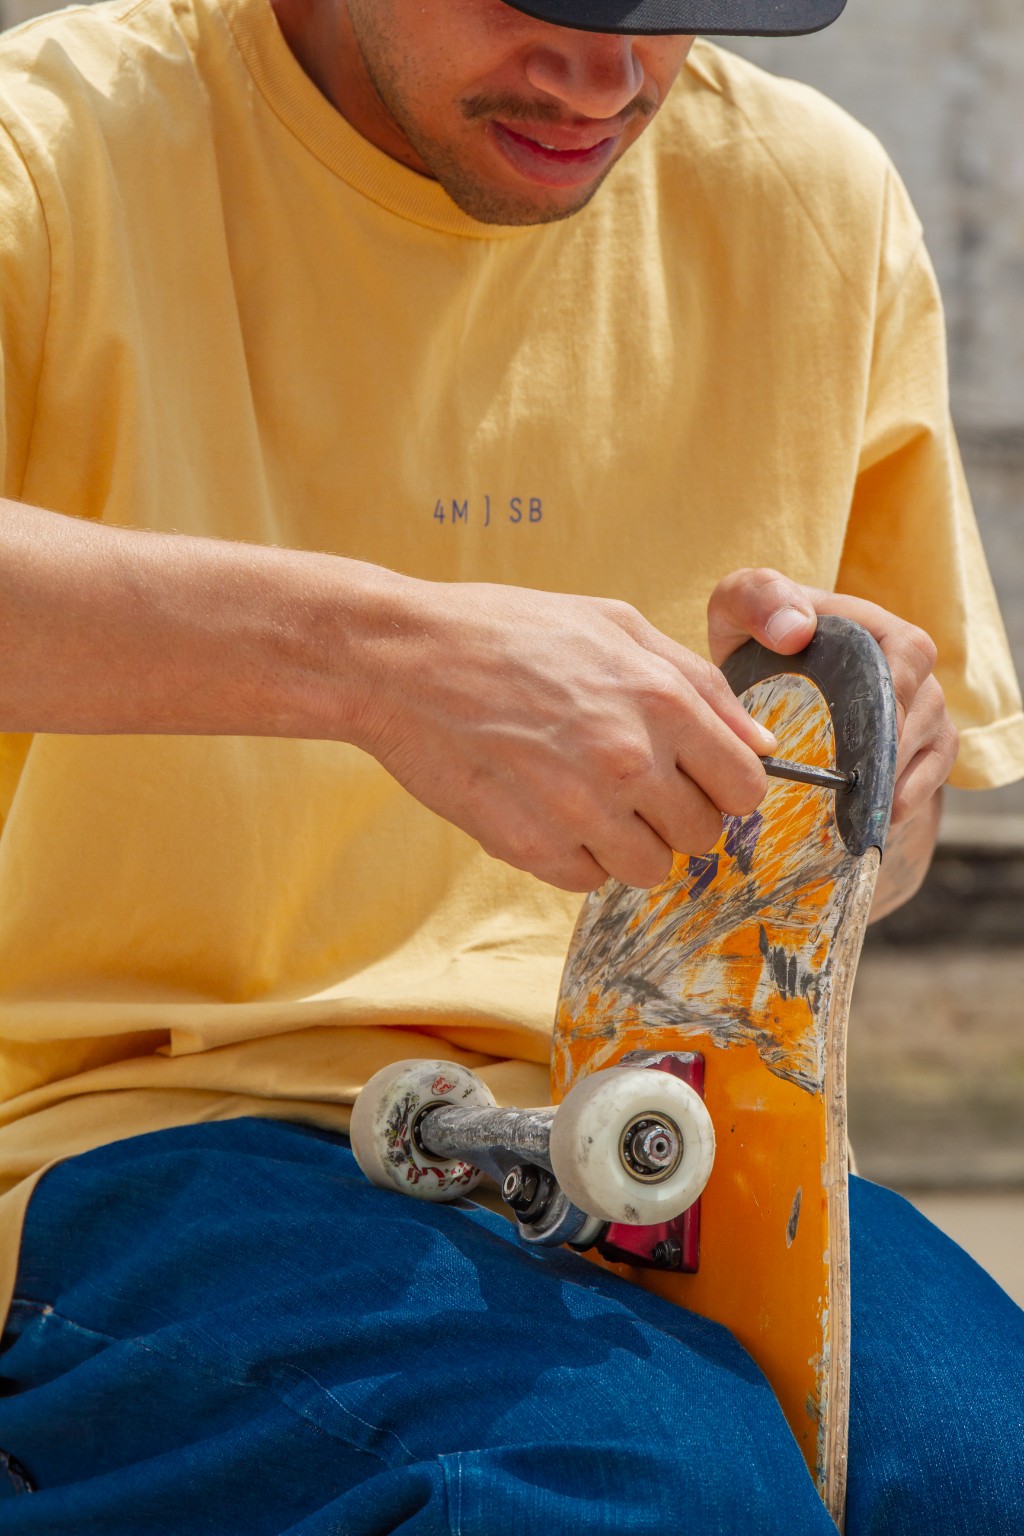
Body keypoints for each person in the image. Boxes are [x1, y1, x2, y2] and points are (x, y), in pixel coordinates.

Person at [0, 0, 1021, 1528]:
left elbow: (897, 867)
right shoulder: (54, 148)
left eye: (674, 7)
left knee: (971, 1471)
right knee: (639, 1491)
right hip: (111, 1136)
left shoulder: (814, 197)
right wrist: (377, 663)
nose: (606, 76)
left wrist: (883, 785)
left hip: (678, 1133)